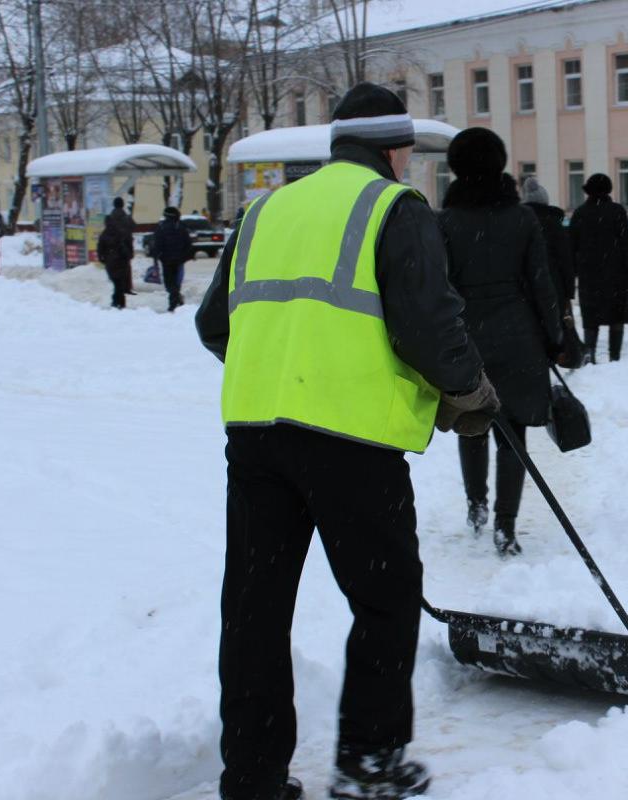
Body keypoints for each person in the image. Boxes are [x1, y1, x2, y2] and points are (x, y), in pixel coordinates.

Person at [195, 82, 495, 800]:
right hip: (350, 446)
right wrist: (470, 393)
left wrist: (284, 369)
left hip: (257, 440)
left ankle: (254, 776)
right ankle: (369, 764)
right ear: (394, 150)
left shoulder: (266, 210)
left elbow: (214, 324)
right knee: (385, 601)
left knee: (255, 610)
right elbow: (428, 322)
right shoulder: (393, 207)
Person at [439, 131, 562, 557]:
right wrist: (555, 337)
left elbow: (439, 289)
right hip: (518, 338)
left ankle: (477, 505)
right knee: (514, 434)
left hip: (465, 339)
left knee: (471, 425)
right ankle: (506, 527)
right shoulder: (522, 219)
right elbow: (543, 285)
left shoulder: (446, 222)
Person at [571, 173, 628, 364]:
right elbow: (627, 242)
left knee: (590, 317)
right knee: (616, 316)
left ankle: (590, 354)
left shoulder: (580, 213)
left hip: (589, 276)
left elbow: (571, 246)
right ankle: (614, 356)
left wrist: (574, 271)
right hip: (616, 275)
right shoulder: (617, 211)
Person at [522, 176, 580, 364]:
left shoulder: (519, 223)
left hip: (526, 286)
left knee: (532, 323)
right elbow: (566, 260)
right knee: (556, 324)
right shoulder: (554, 223)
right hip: (554, 285)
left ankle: (538, 357)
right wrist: (569, 291)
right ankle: (558, 354)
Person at [149, 207, 193, 311]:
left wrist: (156, 257)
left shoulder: (161, 227)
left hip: (166, 260)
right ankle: (177, 300)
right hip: (179, 260)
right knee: (176, 282)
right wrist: (185, 256)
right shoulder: (181, 227)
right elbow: (188, 244)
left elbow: (157, 244)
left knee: (169, 283)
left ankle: (173, 303)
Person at [96, 210, 134, 309]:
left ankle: (117, 301)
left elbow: (100, 248)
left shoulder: (104, 234)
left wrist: (102, 258)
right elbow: (127, 244)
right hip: (121, 261)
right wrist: (128, 255)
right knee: (119, 283)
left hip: (111, 262)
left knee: (116, 282)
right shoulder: (120, 232)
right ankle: (119, 302)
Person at [106, 197, 137, 294]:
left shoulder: (110, 217)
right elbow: (134, 226)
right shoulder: (126, 217)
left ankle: (118, 286)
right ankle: (127, 287)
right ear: (123, 205)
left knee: (115, 265)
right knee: (126, 266)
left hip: (113, 245)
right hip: (126, 245)